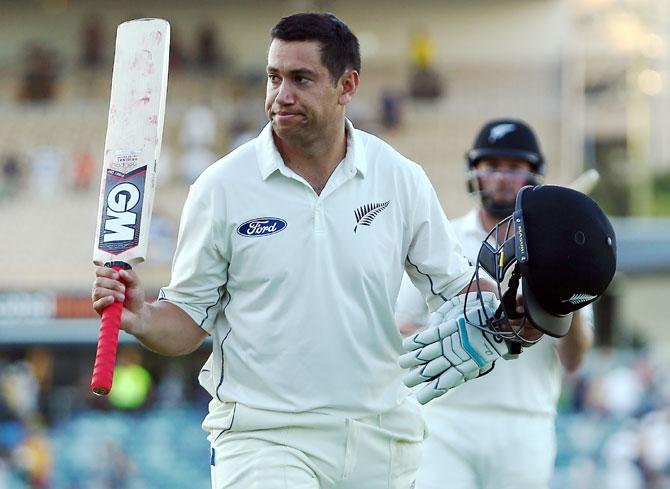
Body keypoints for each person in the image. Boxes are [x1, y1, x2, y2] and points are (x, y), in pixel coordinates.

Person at [92, 13, 507, 489]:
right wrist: (142, 316)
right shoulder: (222, 187)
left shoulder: (400, 178)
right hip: (264, 437)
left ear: (346, 86)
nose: (280, 96)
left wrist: (505, 305)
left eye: (300, 79)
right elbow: (188, 320)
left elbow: (458, 289)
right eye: (273, 77)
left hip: (381, 440)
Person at [396, 119, 597, 489]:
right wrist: (472, 327)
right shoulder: (444, 239)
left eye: (514, 167)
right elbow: (404, 330)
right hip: (445, 420)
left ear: (533, 174)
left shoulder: (560, 252)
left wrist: (563, 299)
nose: (501, 177)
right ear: (475, 171)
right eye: (491, 166)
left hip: (525, 424)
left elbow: (574, 359)